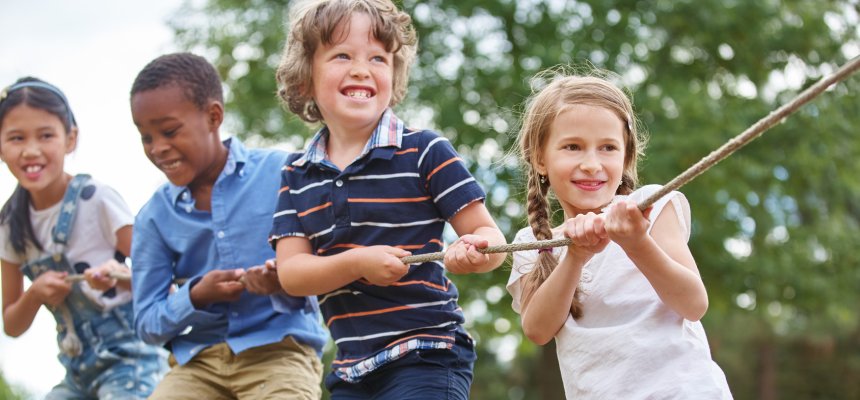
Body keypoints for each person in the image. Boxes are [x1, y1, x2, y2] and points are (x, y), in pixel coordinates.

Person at [270, 0, 507, 398]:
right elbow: (292, 274)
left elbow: (492, 239)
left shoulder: (424, 151)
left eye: (378, 58)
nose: (361, 69)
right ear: (305, 79)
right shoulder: (296, 175)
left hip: (427, 351)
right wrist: (358, 263)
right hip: (351, 370)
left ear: (394, 77)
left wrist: (475, 249)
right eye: (342, 55)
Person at [506, 70, 733, 399]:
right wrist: (576, 257)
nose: (591, 163)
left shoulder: (649, 208)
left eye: (608, 148)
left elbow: (694, 304)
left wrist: (637, 244)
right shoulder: (533, 242)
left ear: (626, 157)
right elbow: (538, 330)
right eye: (573, 146)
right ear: (540, 158)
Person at [129, 52, 328, 399]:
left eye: (170, 131)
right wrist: (194, 296)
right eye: (146, 137)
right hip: (198, 363)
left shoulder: (284, 174)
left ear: (213, 117)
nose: (158, 148)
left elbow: (331, 264)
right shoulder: (153, 218)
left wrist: (284, 282)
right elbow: (147, 322)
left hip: (279, 352)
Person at [0, 77, 166, 399]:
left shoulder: (97, 200)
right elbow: (12, 325)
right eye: (16, 138)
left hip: (133, 358)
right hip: (77, 370)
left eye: (46, 135)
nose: (31, 150)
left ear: (70, 138)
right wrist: (34, 293)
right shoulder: (10, 226)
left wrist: (119, 278)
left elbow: (164, 279)